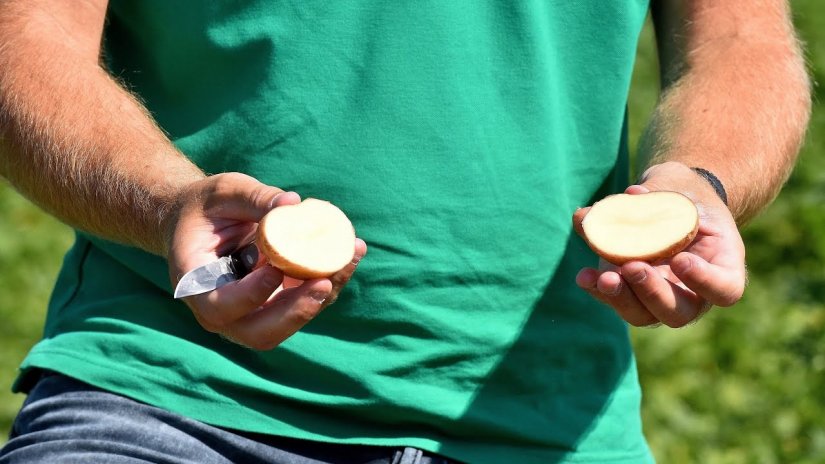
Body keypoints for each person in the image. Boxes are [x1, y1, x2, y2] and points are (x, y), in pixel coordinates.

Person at [0, 1, 810, 463]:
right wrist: (163, 201)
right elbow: (27, 36)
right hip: (170, 400)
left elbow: (739, 40)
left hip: (543, 426)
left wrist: (697, 180)